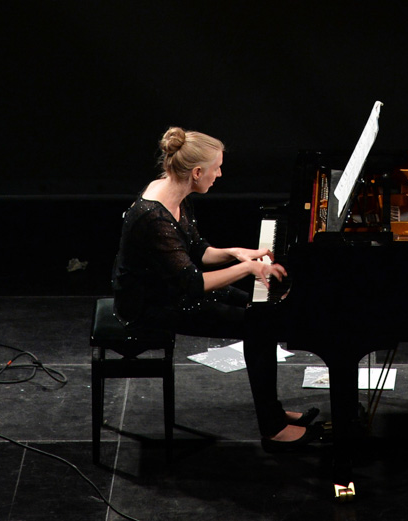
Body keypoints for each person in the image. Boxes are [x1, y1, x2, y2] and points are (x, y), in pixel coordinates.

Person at [111, 126, 322, 450]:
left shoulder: (175, 192)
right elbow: (193, 284)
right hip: (150, 305)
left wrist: (236, 253)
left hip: (172, 289)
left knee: (261, 311)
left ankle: (273, 413)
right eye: (216, 168)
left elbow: (197, 250)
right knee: (258, 323)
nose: (220, 174)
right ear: (197, 173)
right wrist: (249, 268)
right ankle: (273, 427)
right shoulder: (154, 217)